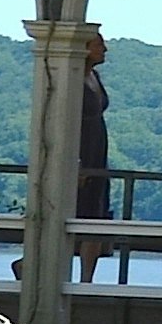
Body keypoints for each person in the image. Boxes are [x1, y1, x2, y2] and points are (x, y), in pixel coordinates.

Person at [72, 25, 117, 225]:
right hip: (82, 148)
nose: (104, 49)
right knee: (80, 204)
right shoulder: (72, 79)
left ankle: (91, 256)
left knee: (97, 207)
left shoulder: (94, 77)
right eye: (99, 44)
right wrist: (77, 161)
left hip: (98, 148)